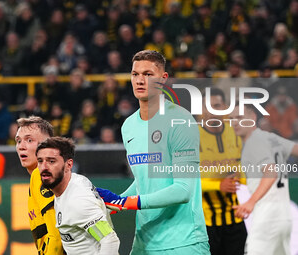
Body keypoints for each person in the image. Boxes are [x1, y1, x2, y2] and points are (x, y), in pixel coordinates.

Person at [97, 50, 209, 254]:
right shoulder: (128, 126)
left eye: (148, 74)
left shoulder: (180, 121)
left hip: (182, 243)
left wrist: (129, 203)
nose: (140, 80)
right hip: (144, 243)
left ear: (163, 79)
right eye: (135, 74)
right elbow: (144, 180)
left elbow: (183, 190)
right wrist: (117, 203)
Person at [230, 103, 298, 255]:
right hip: (285, 217)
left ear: (253, 117)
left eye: (239, 117)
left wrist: (251, 201)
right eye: (231, 119)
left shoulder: (254, 142)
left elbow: (270, 172)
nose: (234, 122)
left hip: (267, 217)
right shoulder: (270, 138)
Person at [36, 137, 120, 254]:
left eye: (51, 161)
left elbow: (110, 241)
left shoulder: (77, 201)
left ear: (68, 165)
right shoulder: (74, 181)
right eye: (40, 161)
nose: (44, 167)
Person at [199, 88, 247, 255]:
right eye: (207, 106)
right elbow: (185, 180)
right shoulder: (190, 136)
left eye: (217, 105)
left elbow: (244, 169)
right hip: (205, 223)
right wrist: (218, 185)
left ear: (225, 107)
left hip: (236, 220)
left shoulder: (235, 132)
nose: (212, 111)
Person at [15, 116, 64, 255]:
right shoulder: (54, 174)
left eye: (29, 140)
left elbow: (57, 234)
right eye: (18, 141)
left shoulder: (41, 175)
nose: (21, 146)